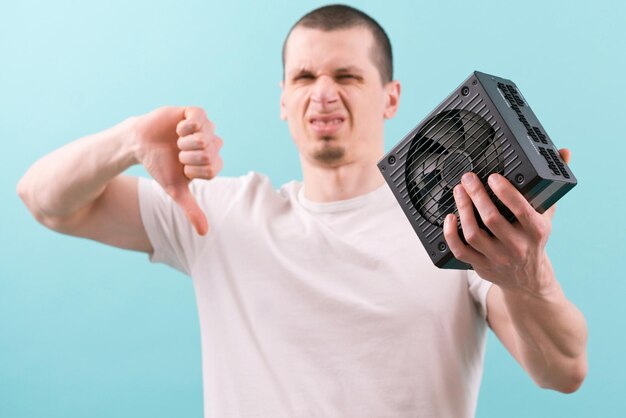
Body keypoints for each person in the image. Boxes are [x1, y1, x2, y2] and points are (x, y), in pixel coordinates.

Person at [17, 4, 587, 418]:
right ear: (283, 99)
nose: (323, 93)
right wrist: (131, 138)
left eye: (346, 76)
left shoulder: (462, 233)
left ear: (390, 96)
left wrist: (528, 276)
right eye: (304, 77)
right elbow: (44, 200)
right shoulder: (217, 214)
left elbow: (562, 372)